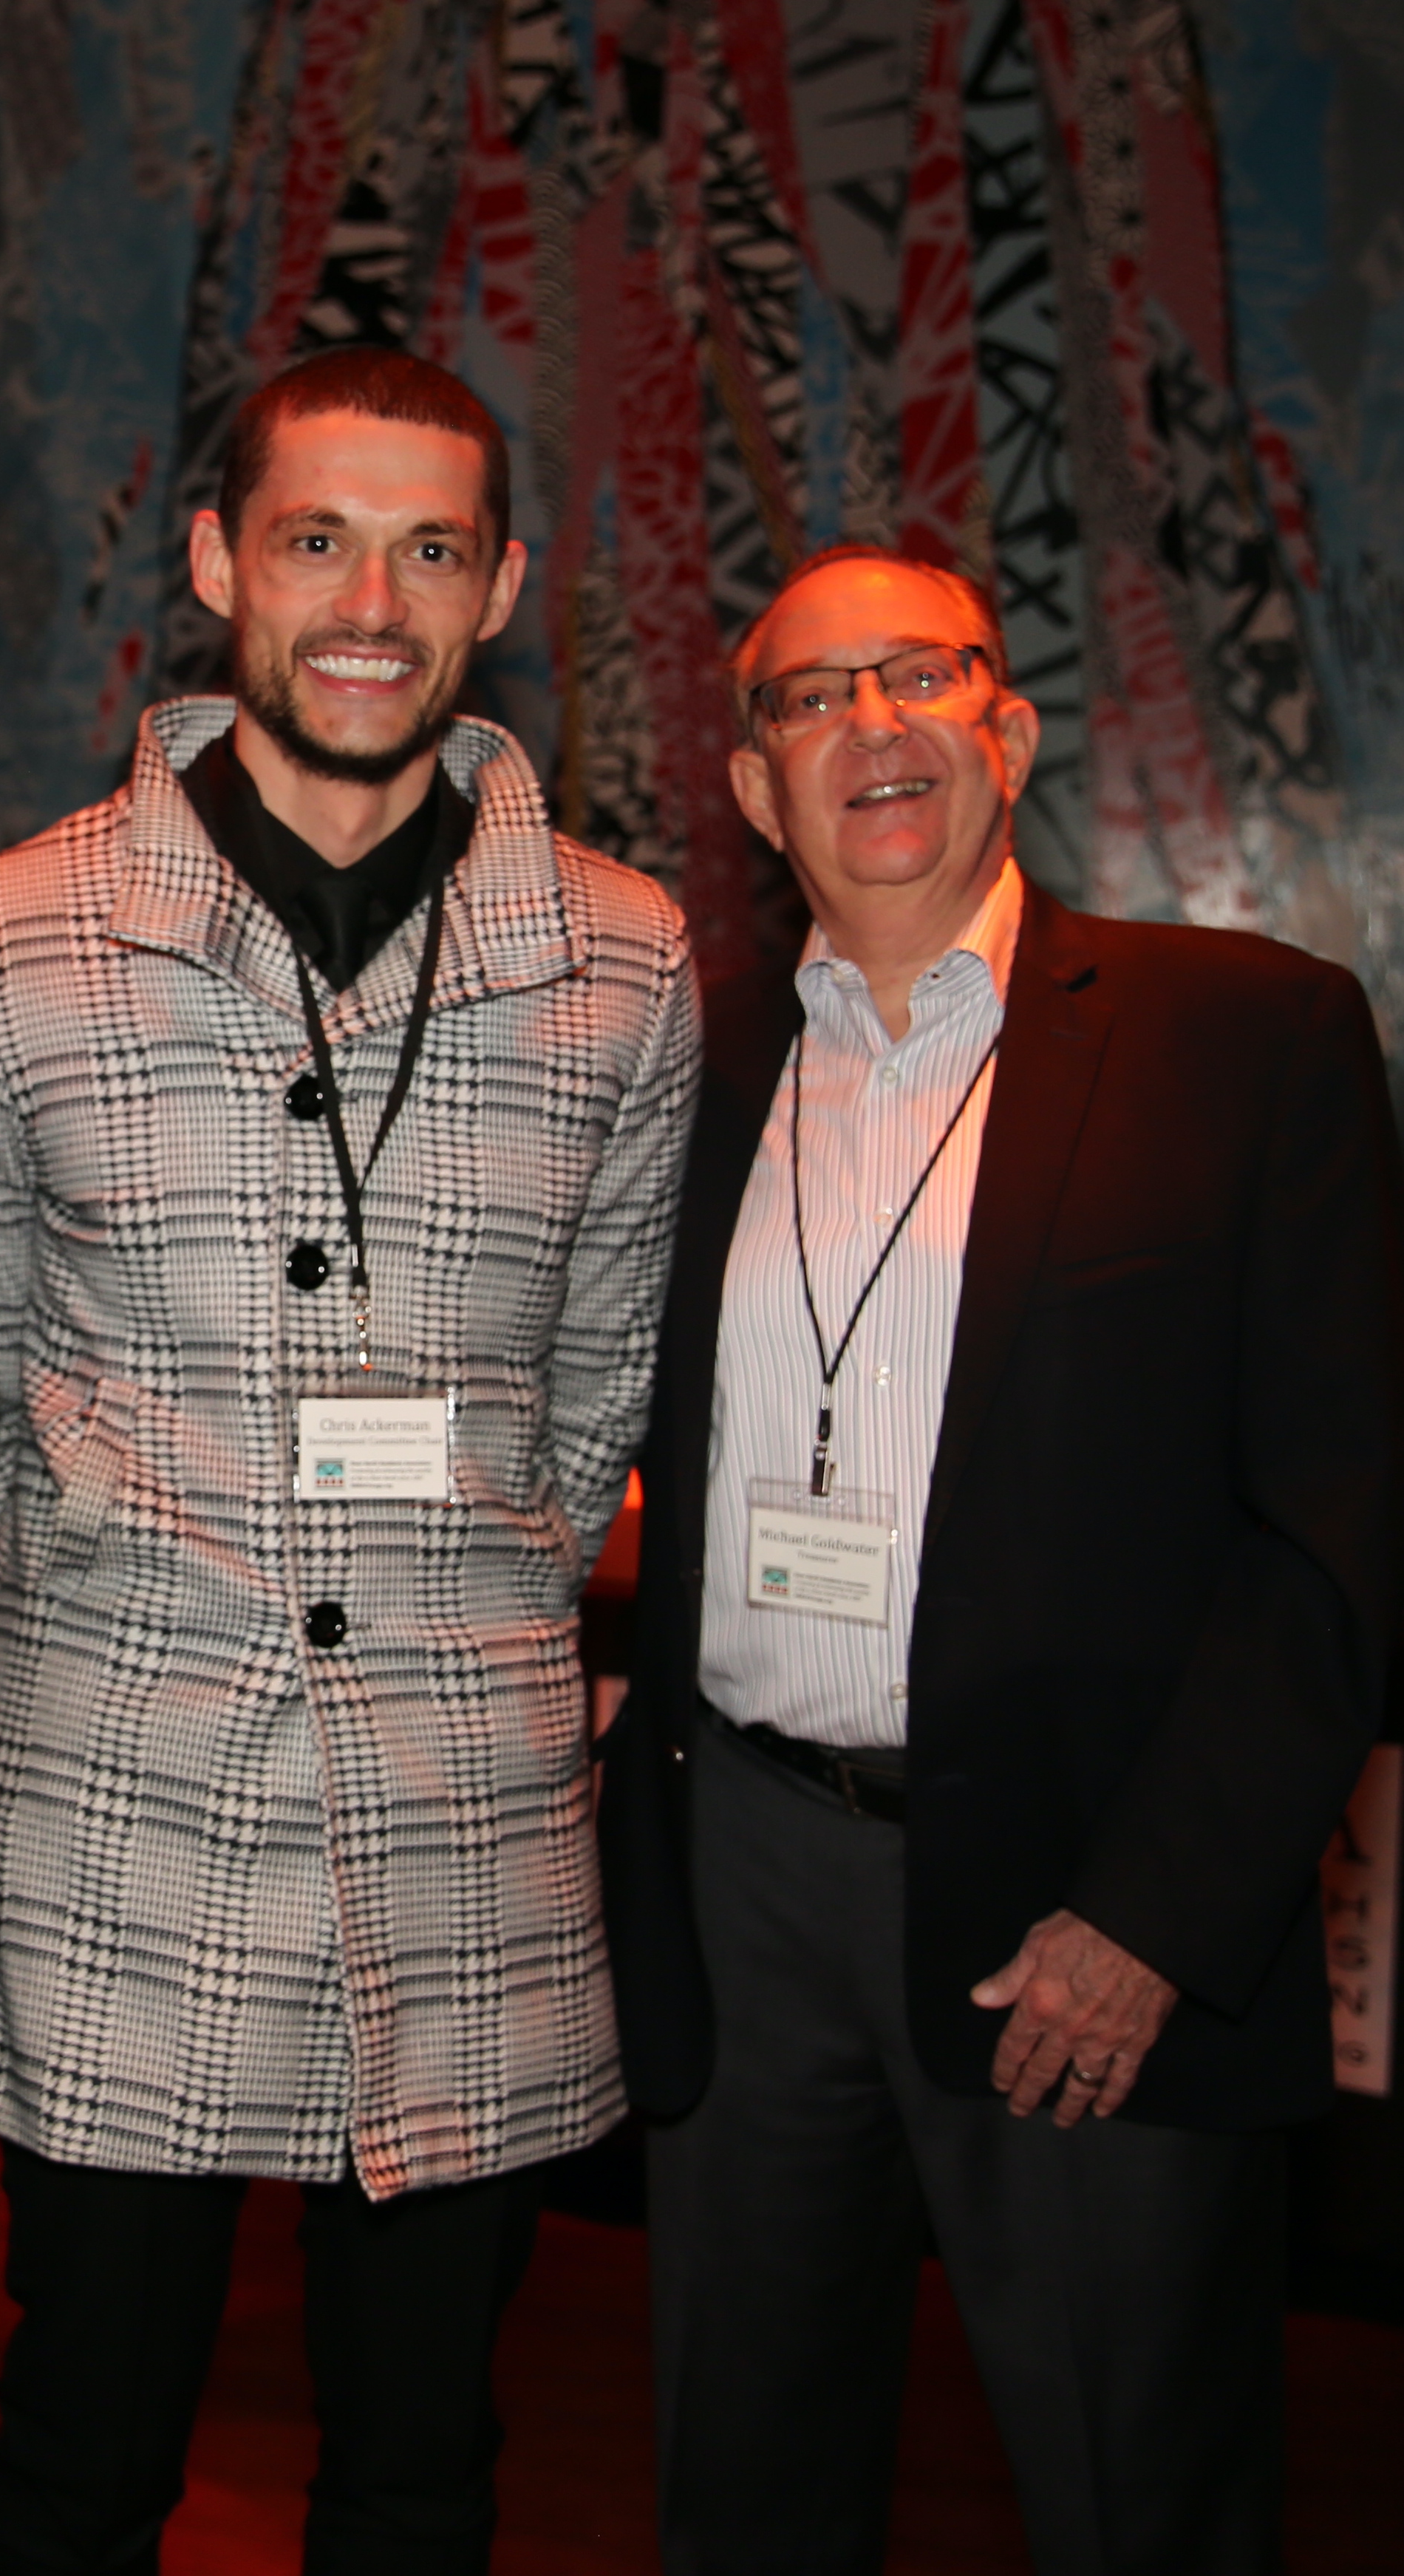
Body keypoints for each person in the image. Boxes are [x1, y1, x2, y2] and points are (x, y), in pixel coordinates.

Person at [0, 345, 699, 2575]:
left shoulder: (626, 964)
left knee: (418, 2469)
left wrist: (456, 1594)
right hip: (120, 1833)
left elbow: (596, 1391)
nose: (370, 597)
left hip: (465, 1819)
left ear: (499, 588)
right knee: (74, 2453)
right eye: (313, 538)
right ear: (214, 565)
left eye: (430, 546)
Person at [597, 539, 1404, 2573]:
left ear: (1006, 728)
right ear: (757, 789)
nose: (870, 725)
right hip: (745, 1880)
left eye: (920, 678)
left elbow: (1342, 1526)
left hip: (1083, 1890)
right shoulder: (677, 1078)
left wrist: (1152, 1914)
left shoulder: (1249, 1037)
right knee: (744, 2490)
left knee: (1139, 2499)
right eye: (807, 697)